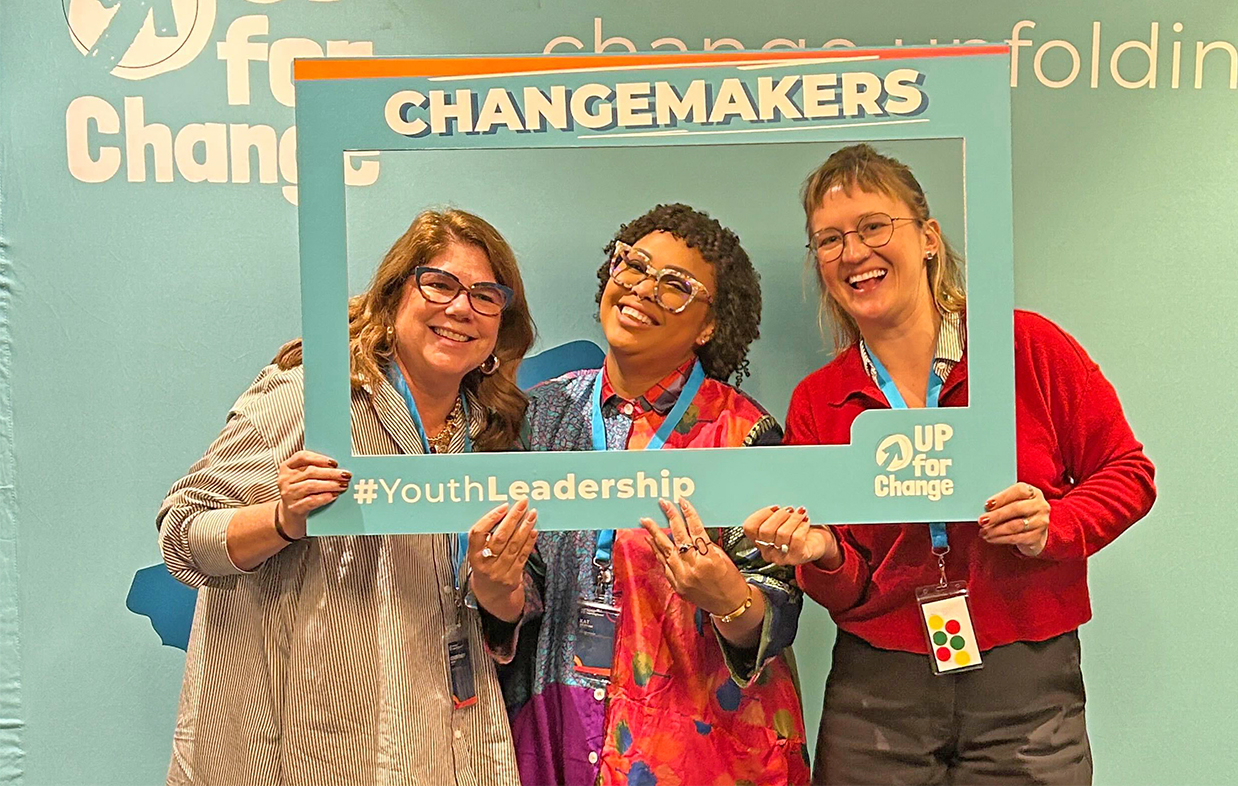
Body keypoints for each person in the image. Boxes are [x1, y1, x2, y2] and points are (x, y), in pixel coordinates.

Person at [746, 144, 1156, 785]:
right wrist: (820, 555)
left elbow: (1128, 473)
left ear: (929, 238)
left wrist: (1055, 524)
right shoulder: (818, 402)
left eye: (873, 226)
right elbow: (847, 582)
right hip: (878, 691)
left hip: (1027, 685)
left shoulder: (1027, 347)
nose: (853, 252)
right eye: (830, 239)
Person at [157, 208, 539, 786]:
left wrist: (497, 588)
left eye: (485, 296)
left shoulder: (492, 434)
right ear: (393, 296)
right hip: (309, 743)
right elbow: (184, 536)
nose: (462, 308)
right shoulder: (316, 397)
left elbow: (507, 608)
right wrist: (283, 518)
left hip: (446, 739)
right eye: (439, 284)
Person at [487, 203, 810, 786]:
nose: (641, 289)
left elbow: (776, 610)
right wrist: (497, 585)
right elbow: (522, 586)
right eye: (633, 265)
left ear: (709, 325)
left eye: (676, 286)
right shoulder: (542, 414)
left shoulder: (743, 433)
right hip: (559, 729)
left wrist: (728, 599)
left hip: (699, 744)